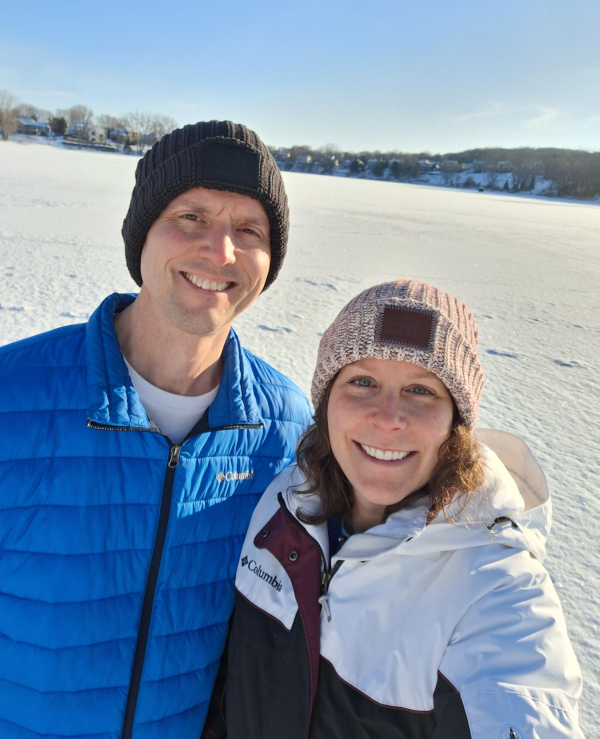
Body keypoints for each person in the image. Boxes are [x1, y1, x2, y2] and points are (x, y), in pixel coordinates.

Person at [0, 121, 311, 739]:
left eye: (248, 230)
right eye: (191, 216)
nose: (219, 251)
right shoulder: (14, 394)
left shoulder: (285, 430)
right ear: (141, 234)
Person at [208, 279, 583, 739]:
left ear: (456, 423)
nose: (388, 417)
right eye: (362, 381)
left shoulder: (496, 588)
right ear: (327, 402)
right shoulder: (283, 502)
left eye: (422, 391)